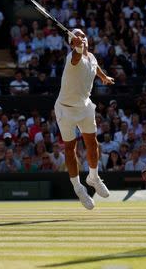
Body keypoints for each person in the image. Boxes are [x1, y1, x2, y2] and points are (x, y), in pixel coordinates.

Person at [54, 28, 114, 209]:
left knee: (92, 143)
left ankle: (93, 177)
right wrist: (77, 48)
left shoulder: (92, 58)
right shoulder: (72, 57)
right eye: (76, 36)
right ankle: (78, 188)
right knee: (70, 148)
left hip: (85, 106)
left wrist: (104, 77)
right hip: (65, 109)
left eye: (83, 35)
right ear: (72, 43)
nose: (81, 37)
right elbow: (78, 56)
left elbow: (95, 67)